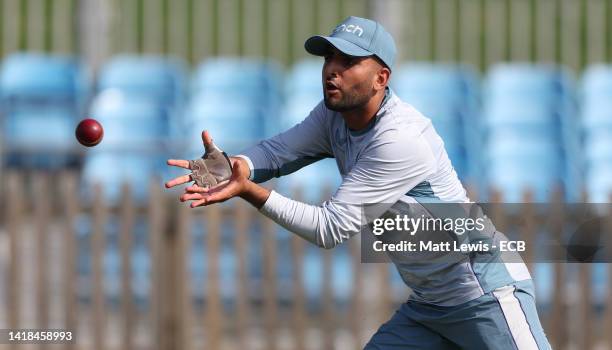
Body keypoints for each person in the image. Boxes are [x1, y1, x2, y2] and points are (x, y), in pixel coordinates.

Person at [165, 16, 551, 350]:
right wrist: (232, 166)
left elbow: (329, 229)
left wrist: (248, 190)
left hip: (485, 294)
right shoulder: (333, 116)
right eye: (329, 58)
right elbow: (276, 152)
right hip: (431, 305)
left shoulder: (400, 139)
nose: (332, 69)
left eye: (348, 61)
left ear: (381, 78)